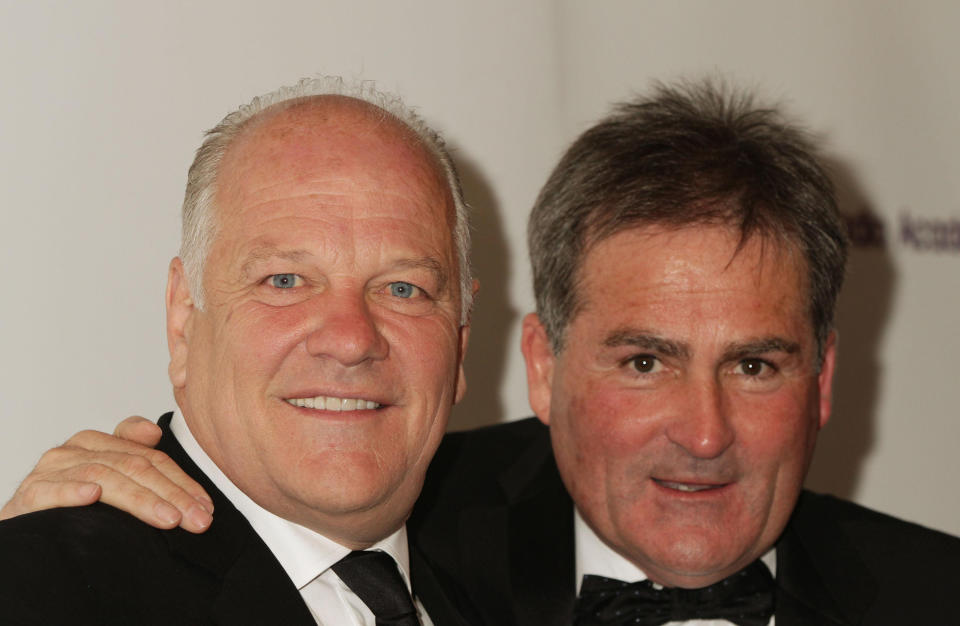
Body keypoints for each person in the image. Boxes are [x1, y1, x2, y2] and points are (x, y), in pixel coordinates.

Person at [6, 79, 960, 625]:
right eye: (643, 361)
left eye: (754, 365)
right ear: (539, 365)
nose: (703, 435)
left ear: (824, 379)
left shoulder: (933, 595)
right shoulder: (420, 520)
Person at [0, 77, 475, 625]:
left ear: (461, 341)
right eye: (285, 280)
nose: (351, 340)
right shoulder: (46, 589)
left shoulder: (509, 586)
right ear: (183, 320)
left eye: (402, 289)